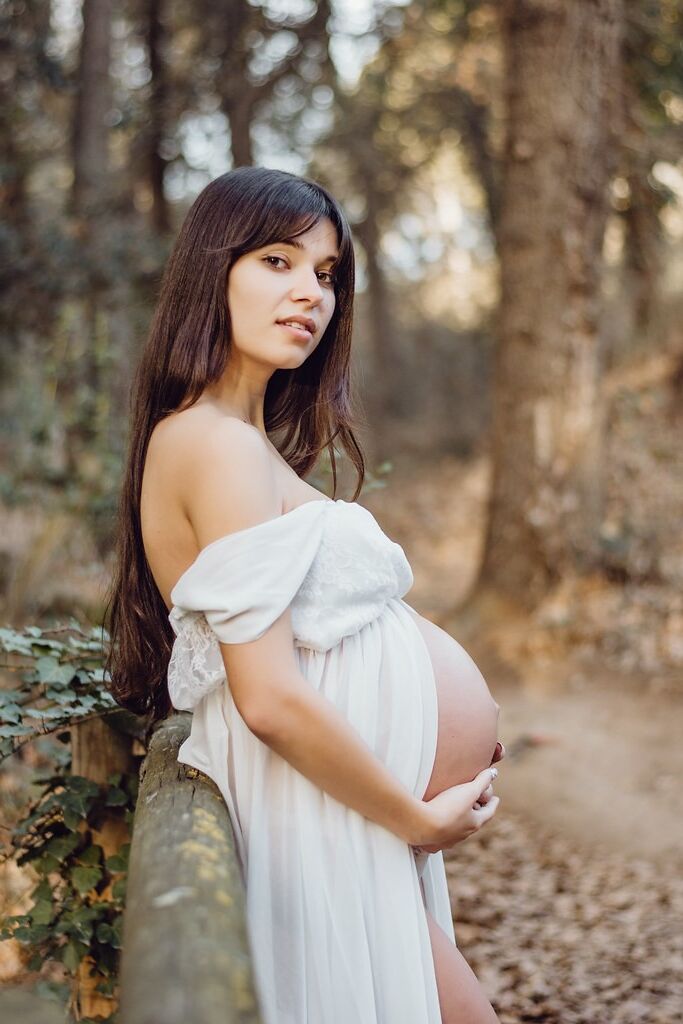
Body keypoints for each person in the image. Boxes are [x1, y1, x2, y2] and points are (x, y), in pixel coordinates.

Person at [105, 166, 503, 1023]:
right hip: (323, 810)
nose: (310, 294)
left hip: (335, 811)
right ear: (213, 272)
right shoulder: (211, 443)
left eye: (325, 274)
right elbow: (270, 696)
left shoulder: (234, 440)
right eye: (278, 262)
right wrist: (413, 819)